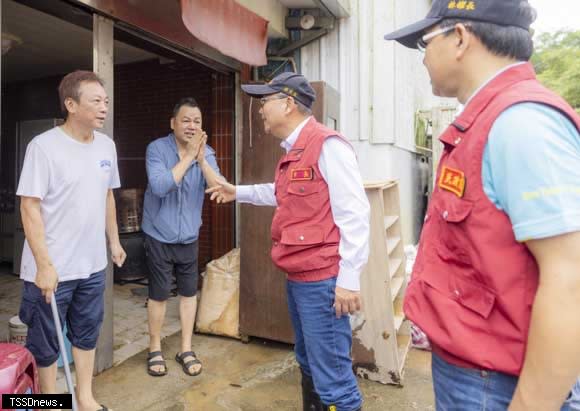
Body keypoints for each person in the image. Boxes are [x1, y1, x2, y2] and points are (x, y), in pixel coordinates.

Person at [384, 1, 580, 410]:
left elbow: (570, 278)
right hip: (478, 373)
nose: (423, 59)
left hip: (496, 385)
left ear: (459, 38)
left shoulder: (522, 123)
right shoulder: (490, 119)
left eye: (425, 43)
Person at [206, 72, 370, 411]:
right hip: (300, 279)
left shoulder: (328, 145)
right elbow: (282, 194)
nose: (260, 110)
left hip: (323, 282)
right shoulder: (295, 149)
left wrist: (349, 281)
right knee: (309, 362)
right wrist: (238, 192)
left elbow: (354, 214)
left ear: (289, 104)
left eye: (265, 102)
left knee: (333, 379)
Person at [17, 70, 126, 411]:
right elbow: (29, 205)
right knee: (46, 343)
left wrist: (115, 241)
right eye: (95, 101)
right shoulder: (44, 147)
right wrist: (45, 265)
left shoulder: (107, 145)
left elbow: (107, 197)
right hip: (51, 270)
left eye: (105, 101)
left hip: (91, 266)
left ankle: (85, 397)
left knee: (85, 334)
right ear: (71, 104)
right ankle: (50, 403)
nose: (103, 107)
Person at [142, 97, 222, 377]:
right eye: (186, 120)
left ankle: (185, 348)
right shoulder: (157, 149)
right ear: (173, 123)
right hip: (159, 235)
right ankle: (154, 348)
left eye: (197, 121)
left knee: (189, 293)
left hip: (188, 236)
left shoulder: (207, 153)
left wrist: (201, 160)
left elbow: (218, 189)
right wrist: (188, 157)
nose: (191, 125)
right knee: (160, 294)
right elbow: (161, 186)